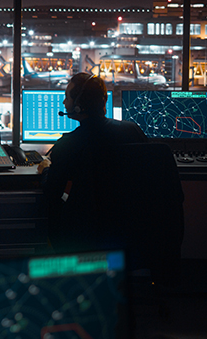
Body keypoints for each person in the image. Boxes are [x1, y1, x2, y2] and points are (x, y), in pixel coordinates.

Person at [36, 72, 146, 252]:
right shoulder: (132, 131)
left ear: (78, 105)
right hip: (131, 229)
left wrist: (47, 168)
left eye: (66, 97)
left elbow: (52, 191)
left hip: (86, 234)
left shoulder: (69, 144)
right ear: (104, 100)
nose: (64, 103)